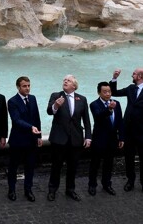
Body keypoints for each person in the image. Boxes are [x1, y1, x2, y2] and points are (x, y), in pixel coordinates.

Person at [110, 68, 143, 198]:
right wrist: (114, 78)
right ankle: (130, 181)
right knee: (129, 157)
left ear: (140, 76)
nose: (132, 75)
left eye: (134, 73)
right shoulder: (131, 88)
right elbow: (114, 92)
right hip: (129, 131)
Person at [46, 74, 91, 202]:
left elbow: (86, 120)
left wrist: (88, 136)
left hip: (76, 139)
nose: (65, 81)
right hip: (59, 138)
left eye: (68, 80)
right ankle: (52, 190)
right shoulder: (56, 95)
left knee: (73, 167)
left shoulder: (82, 99)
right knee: (56, 166)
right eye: (64, 80)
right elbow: (49, 111)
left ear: (74, 85)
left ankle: (70, 189)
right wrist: (56, 105)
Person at [6, 76, 42, 202]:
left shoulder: (32, 98)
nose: (27, 88)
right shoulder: (12, 101)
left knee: (30, 167)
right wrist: (31, 127)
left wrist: (39, 136)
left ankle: (28, 190)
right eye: (24, 86)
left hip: (32, 140)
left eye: (28, 85)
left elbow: (37, 117)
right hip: (18, 140)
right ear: (18, 87)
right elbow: (16, 120)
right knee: (13, 167)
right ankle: (11, 190)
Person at [87, 82, 124, 196]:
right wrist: (108, 109)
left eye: (109, 91)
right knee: (95, 164)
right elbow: (98, 117)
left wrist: (121, 137)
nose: (108, 94)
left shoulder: (116, 103)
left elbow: (120, 122)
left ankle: (107, 184)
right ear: (99, 92)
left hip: (112, 139)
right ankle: (92, 185)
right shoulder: (94, 104)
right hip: (99, 139)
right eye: (105, 92)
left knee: (109, 163)